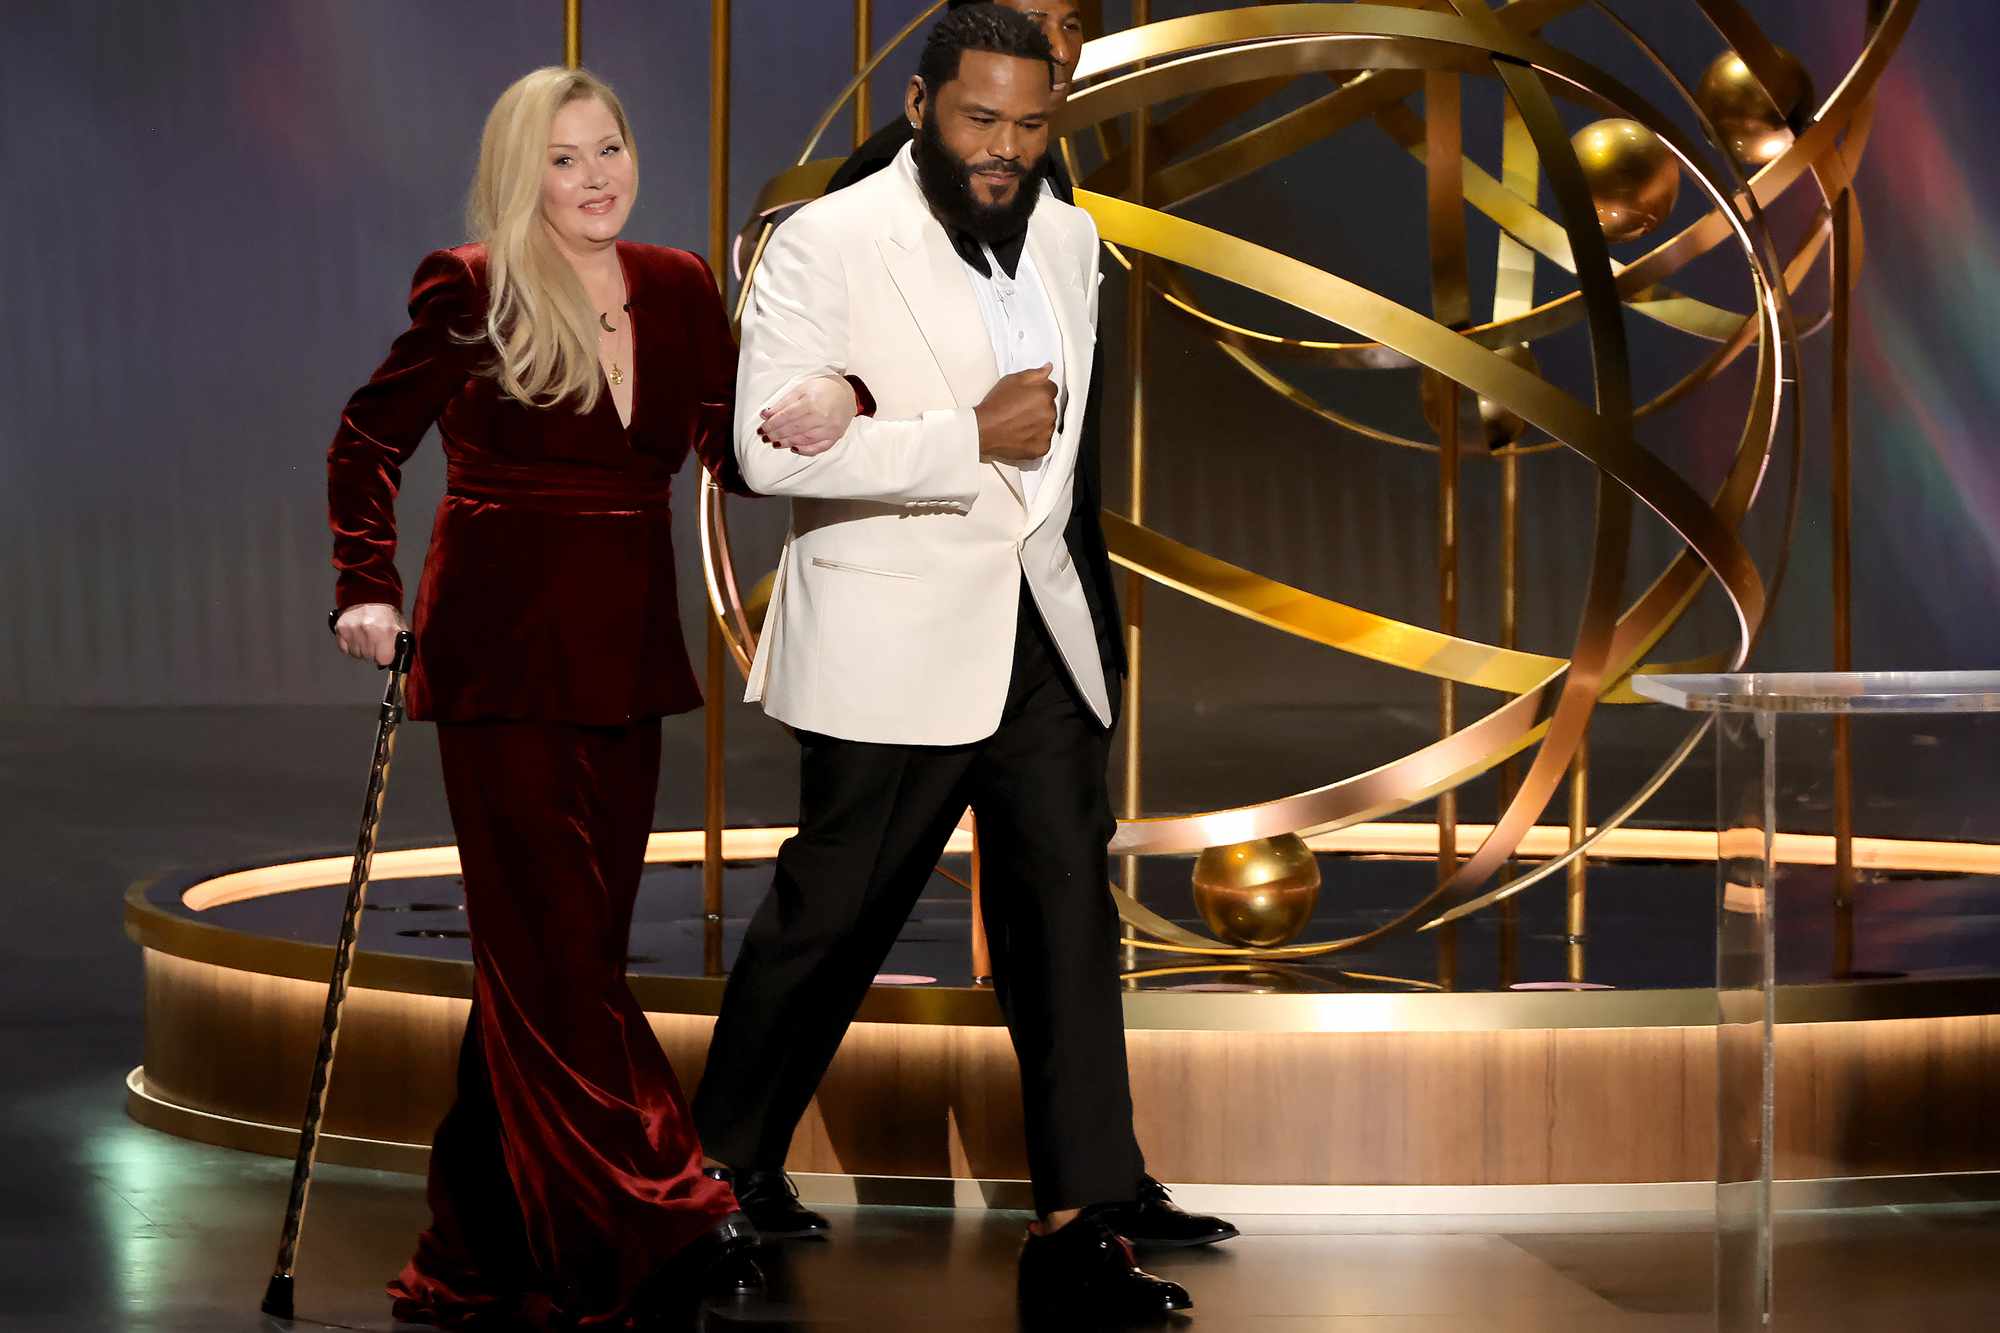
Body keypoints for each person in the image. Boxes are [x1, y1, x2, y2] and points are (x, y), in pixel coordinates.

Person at [324, 66, 857, 1329]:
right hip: (500, 655)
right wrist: (366, 586)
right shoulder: (472, 284)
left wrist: (847, 396)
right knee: (553, 954)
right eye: (563, 159)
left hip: (623, 657)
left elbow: (735, 453)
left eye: (607, 148)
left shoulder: (676, 285)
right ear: (524, 173)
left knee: (553, 958)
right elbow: (367, 439)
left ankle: (478, 1248)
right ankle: (661, 1209)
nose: (594, 176)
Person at [694, 8, 1201, 1322]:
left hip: (1040, 641)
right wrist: (958, 435)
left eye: (1031, 127)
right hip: (890, 635)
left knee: (1066, 921)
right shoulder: (829, 236)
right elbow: (766, 454)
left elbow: (1064, 470)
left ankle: (1082, 1227)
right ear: (922, 106)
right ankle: (710, 1176)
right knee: (832, 914)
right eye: (981, 120)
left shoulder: (1076, 238)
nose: (1005, 149)